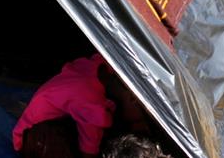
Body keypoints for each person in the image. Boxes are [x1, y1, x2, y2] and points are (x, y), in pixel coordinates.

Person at [13, 54, 150, 158]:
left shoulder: (100, 64)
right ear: (133, 99)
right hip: (31, 141)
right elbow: (89, 151)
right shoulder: (92, 106)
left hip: (31, 128)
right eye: (143, 116)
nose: (142, 122)